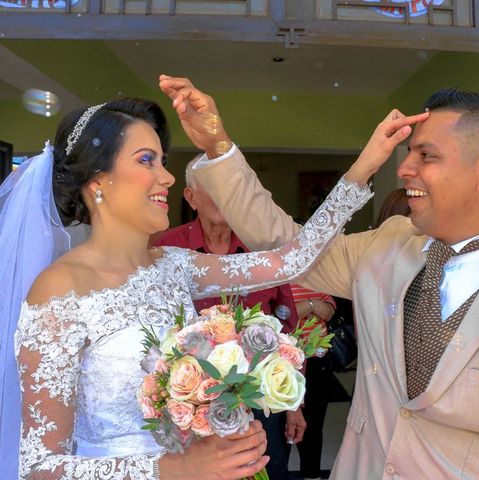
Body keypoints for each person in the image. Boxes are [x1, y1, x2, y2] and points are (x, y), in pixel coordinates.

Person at [160, 75, 479, 479]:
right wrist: (218, 146)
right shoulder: (386, 245)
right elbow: (282, 242)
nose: (404, 169)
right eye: (407, 153)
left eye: (426, 155)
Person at [0, 93, 386, 479]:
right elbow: (41, 467)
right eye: (145, 160)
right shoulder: (59, 291)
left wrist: (364, 167)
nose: (167, 177)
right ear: (99, 180)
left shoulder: (175, 265)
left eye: (162, 162)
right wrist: (176, 468)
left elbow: (289, 261)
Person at [153, 157, 306, 479]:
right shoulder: (163, 249)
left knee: (268, 468)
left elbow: (288, 328)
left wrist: (293, 405)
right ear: (191, 197)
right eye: (211, 188)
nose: (222, 197)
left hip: (260, 401)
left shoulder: (261, 250)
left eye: (228, 188)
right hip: (191, 403)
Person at [289, 284, 336, 480]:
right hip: (285, 362)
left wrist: (305, 306)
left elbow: (329, 312)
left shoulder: (316, 276)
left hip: (317, 362)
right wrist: (312, 304)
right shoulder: (277, 278)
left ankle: (312, 475)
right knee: (284, 427)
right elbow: (282, 316)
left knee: (313, 425)